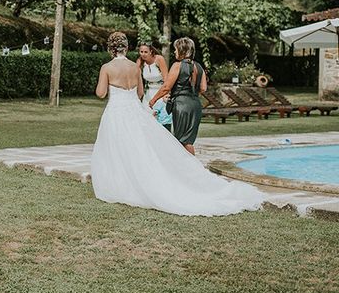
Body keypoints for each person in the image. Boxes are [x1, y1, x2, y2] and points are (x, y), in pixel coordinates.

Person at [90, 32, 265, 216]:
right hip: (134, 111)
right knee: (140, 149)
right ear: (126, 48)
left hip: (116, 112)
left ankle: (123, 184)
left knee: (118, 148)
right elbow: (140, 93)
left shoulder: (107, 67)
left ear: (110, 48)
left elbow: (101, 93)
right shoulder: (135, 67)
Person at [149, 37, 205, 156]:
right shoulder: (199, 67)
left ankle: (194, 169)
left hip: (181, 105)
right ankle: (190, 169)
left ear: (182, 50)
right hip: (195, 105)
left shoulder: (177, 65)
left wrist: (153, 100)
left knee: (182, 140)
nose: (174, 52)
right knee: (188, 139)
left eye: (175, 49)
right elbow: (203, 88)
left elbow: (166, 87)